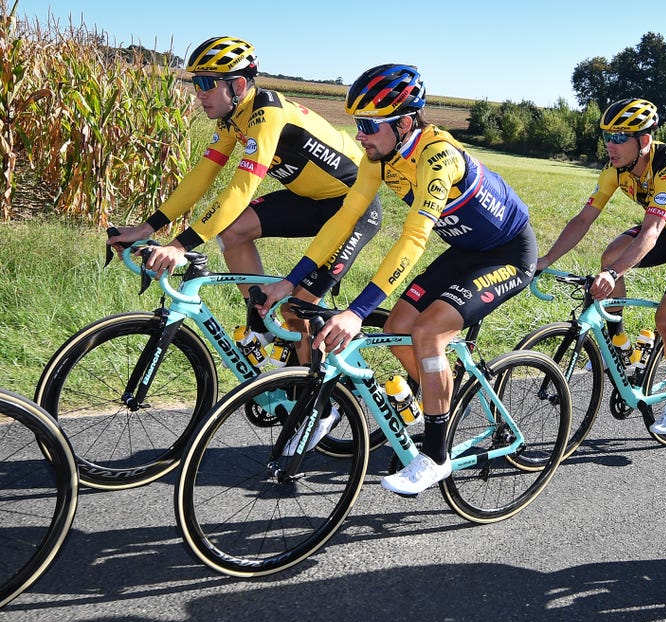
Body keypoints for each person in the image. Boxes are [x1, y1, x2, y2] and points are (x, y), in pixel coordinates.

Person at [259, 63, 537, 495]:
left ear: (405, 122)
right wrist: (289, 281)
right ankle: (436, 389)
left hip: (509, 254)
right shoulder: (381, 157)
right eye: (357, 124)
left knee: (426, 333)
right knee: (396, 328)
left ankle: (437, 455)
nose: (360, 135)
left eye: (368, 125)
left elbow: (414, 237)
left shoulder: (437, 154)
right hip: (466, 249)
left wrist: (355, 311)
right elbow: (343, 220)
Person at [107, 36, 382, 364]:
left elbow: (241, 189)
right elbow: (201, 177)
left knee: (297, 311)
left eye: (207, 83)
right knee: (232, 232)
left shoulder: (267, 113)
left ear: (238, 84)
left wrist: (179, 246)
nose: (199, 92)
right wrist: (145, 227)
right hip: (311, 201)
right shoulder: (231, 119)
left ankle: (319, 408)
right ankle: (263, 320)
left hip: (354, 208)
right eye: (196, 82)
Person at [536, 98, 666, 436]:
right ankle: (620, 340)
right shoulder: (615, 171)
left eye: (621, 136)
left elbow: (650, 231)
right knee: (610, 255)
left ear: (645, 139)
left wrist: (613, 275)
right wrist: (546, 260)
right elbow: (583, 220)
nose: (611, 145)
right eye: (607, 136)